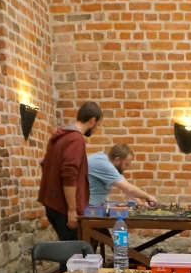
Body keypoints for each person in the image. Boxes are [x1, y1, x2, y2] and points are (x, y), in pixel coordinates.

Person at [38, 101, 103, 240]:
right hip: (63, 207)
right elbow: (69, 174)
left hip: (53, 204)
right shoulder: (76, 139)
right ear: (92, 121)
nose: (96, 129)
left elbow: (45, 164)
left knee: (69, 248)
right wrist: (72, 209)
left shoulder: (60, 136)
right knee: (73, 251)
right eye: (98, 125)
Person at [88, 144, 157, 208]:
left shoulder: (109, 163)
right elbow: (129, 189)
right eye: (126, 164)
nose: (127, 168)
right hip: (88, 208)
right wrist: (148, 197)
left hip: (95, 207)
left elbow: (126, 189)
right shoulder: (103, 164)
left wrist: (140, 204)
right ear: (117, 159)